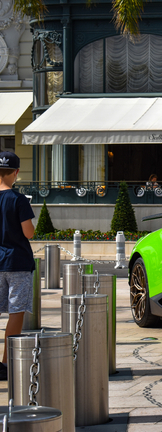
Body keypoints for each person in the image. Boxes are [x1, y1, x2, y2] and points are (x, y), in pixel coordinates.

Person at [0, 151, 35, 381]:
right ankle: (5, 363)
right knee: (16, 311)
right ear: (16, 173)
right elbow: (28, 232)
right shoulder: (18, 200)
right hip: (18, 263)